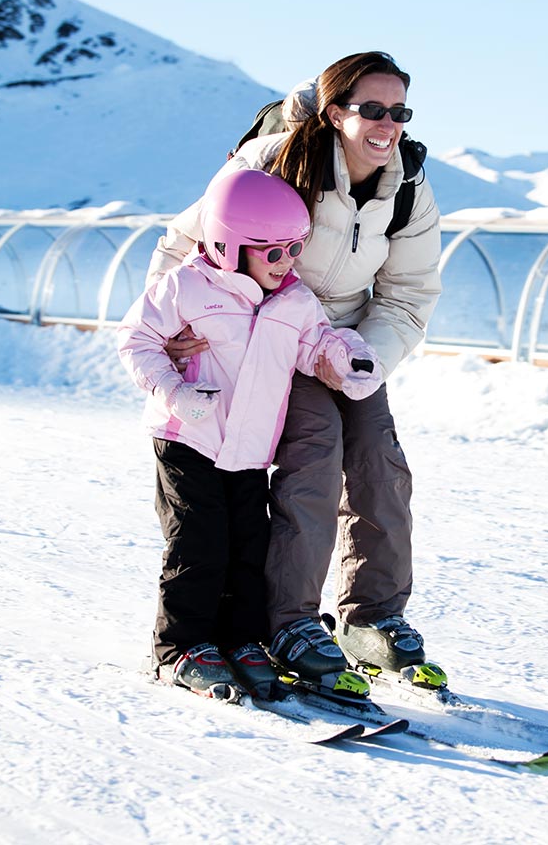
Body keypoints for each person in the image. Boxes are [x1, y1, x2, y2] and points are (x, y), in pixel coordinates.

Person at [147, 51, 442, 683]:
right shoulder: (279, 160)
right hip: (269, 335)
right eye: (372, 110)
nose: (388, 125)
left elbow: (409, 294)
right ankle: (288, 621)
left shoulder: (408, 188)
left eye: (400, 112)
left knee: (381, 463)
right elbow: (189, 239)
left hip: (348, 340)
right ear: (336, 113)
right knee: (316, 454)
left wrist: (363, 360)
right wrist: (175, 325)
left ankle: (374, 617)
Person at [118, 169, 381, 700]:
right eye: (274, 252)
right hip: (188, 439)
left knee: (249, 548)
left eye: (295, 249)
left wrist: (344, 359)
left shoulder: (295, 301)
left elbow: (315, 346)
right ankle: (181, 647)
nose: (288, 263)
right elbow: (136, 340)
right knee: (198, 544)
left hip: (249, 453)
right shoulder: (186, 288)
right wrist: (175, 392)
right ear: (228, 247)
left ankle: (242, 641)